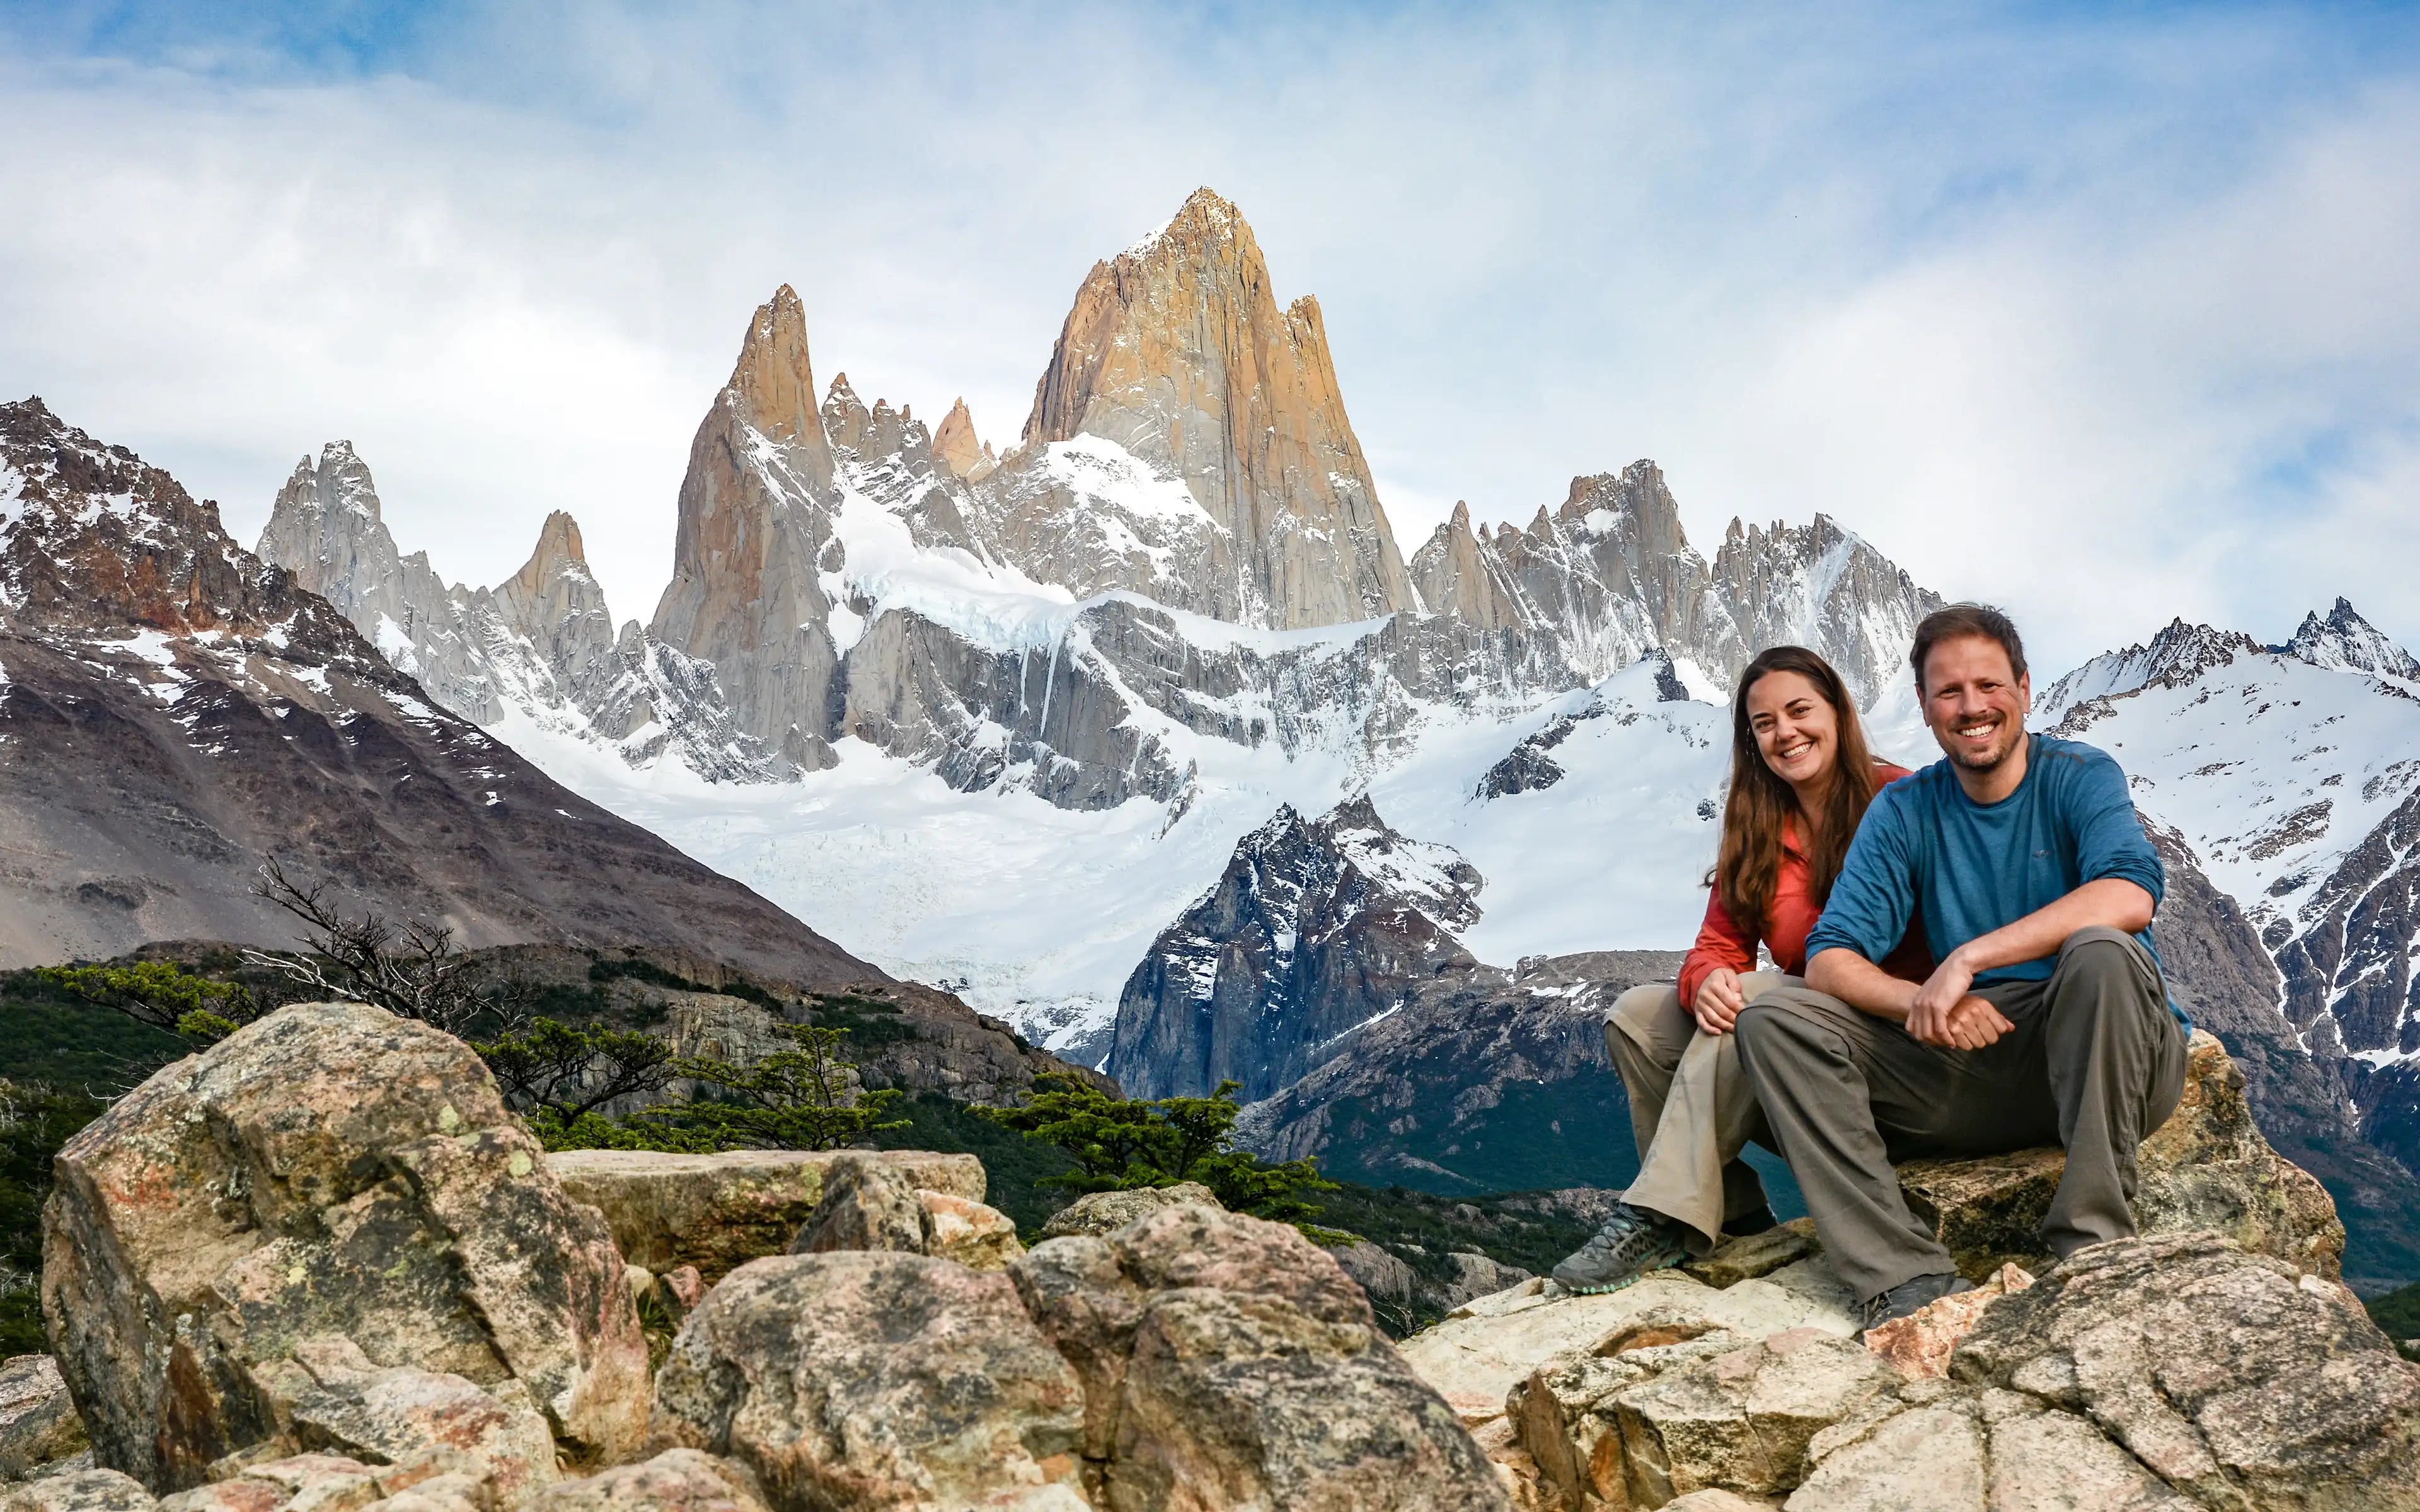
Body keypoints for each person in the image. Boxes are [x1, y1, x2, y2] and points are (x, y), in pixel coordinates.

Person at [1734, 604, 2189, 1332]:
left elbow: (2130, 893)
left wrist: (1970, 957)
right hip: (1972, 1059)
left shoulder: (2079, 775)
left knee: (2102, 950)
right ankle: (1903, 1276)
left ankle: (2093, 1246)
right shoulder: (1906, 810)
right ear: (1926, 706)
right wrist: (1921, 999)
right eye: (1949, 692)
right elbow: (1831, 957)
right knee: (1773, 1017)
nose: (1971, 707)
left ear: (2025, 688)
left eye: (1988, 685)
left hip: (2109, 1053)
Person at [1552, 645, 1928, 1294]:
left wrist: (1749, 990)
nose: (1785, 733)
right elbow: (1716, 945)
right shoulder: (1758, 823)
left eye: (1799, 711)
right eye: (1764, 723)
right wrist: (1708, 983)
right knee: (1637, 1019)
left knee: (1757, 996)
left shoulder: (1902, 799)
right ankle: (1729, 1214)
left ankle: (1660, 1213)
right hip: (1798, 1041)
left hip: (1895, 1048)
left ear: (1838, 712)